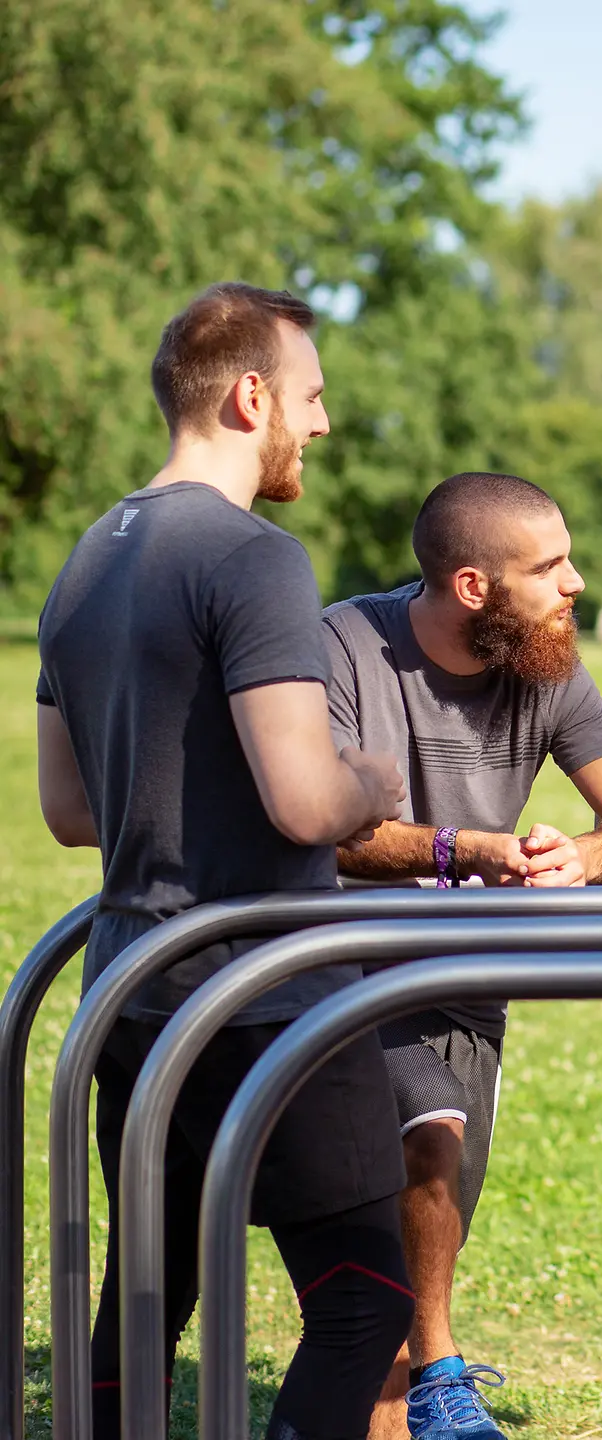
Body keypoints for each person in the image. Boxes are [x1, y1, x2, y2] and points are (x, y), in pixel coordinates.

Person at [35, 282, 412, 1440]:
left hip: (129, 984)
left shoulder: (89, 555)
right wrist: (376, 779)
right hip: (263, 992)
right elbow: (307, 800)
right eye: (310, 395)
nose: (322, 424)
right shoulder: (254, 558)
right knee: (364, 1301)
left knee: (149, 1300)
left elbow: (66, 808)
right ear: (252, 397)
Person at [322, 470, 602, 1440]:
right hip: (340, 963)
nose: (576, 583)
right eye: (550, 566)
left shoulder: (547, 662)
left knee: (441, 1191)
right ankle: (429, 1379)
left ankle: (408, 1381)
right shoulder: (342, 647)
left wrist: (586, 856)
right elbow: (325, 831)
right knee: (426, 1134)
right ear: (473, 586)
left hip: (465, 974)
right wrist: (462, 848)